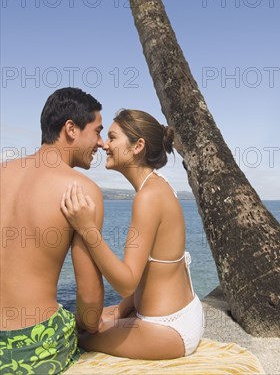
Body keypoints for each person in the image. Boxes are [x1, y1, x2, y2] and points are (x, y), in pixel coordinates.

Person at [61, 109, 205, 360]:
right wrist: (120, 310)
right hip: (183, 313)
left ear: (138, 146)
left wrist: (87, 228)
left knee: (80, 335)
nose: (105, 145)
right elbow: (152, 270)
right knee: (100, 317)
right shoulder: (158, 186)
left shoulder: (147, 197)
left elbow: (126, 281)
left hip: (167, 328)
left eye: (113, 138)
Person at [0, 88, 105, 374]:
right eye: (97, 131)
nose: (101, 143)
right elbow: (91, 309)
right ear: (70, 128)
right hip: (33, 347)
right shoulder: (82, 191)